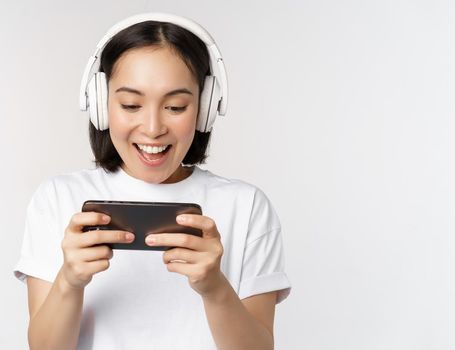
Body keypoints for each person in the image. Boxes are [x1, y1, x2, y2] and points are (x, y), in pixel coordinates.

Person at [12, 13, 291, 350]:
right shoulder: (57, 198)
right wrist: (69, 282)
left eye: (175, 106)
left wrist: (215, 288)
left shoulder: (246, 207)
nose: (153, 127)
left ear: (204, 109)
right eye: (131, 104)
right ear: (101, 105)